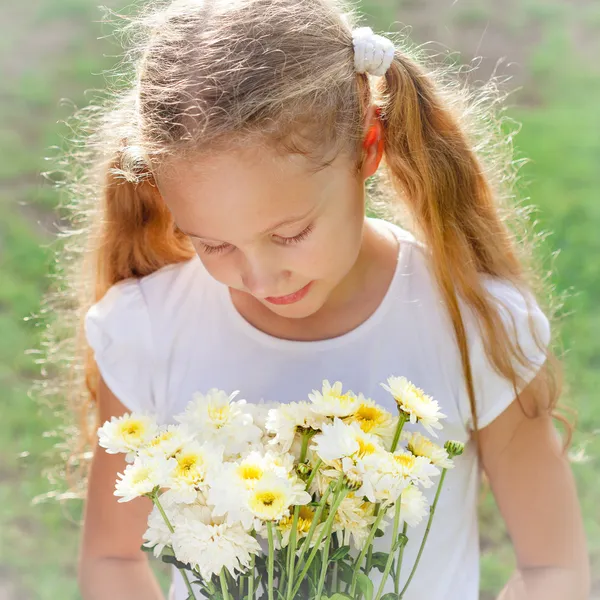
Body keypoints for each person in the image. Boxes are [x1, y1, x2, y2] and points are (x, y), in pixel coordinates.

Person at [41, 0, 588, 598]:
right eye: (214, 244)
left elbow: (551, 568)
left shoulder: (473, 327)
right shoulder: (150, 330)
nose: (261, 277)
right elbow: (114, 559)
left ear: (368, 145)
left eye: (290, 234)